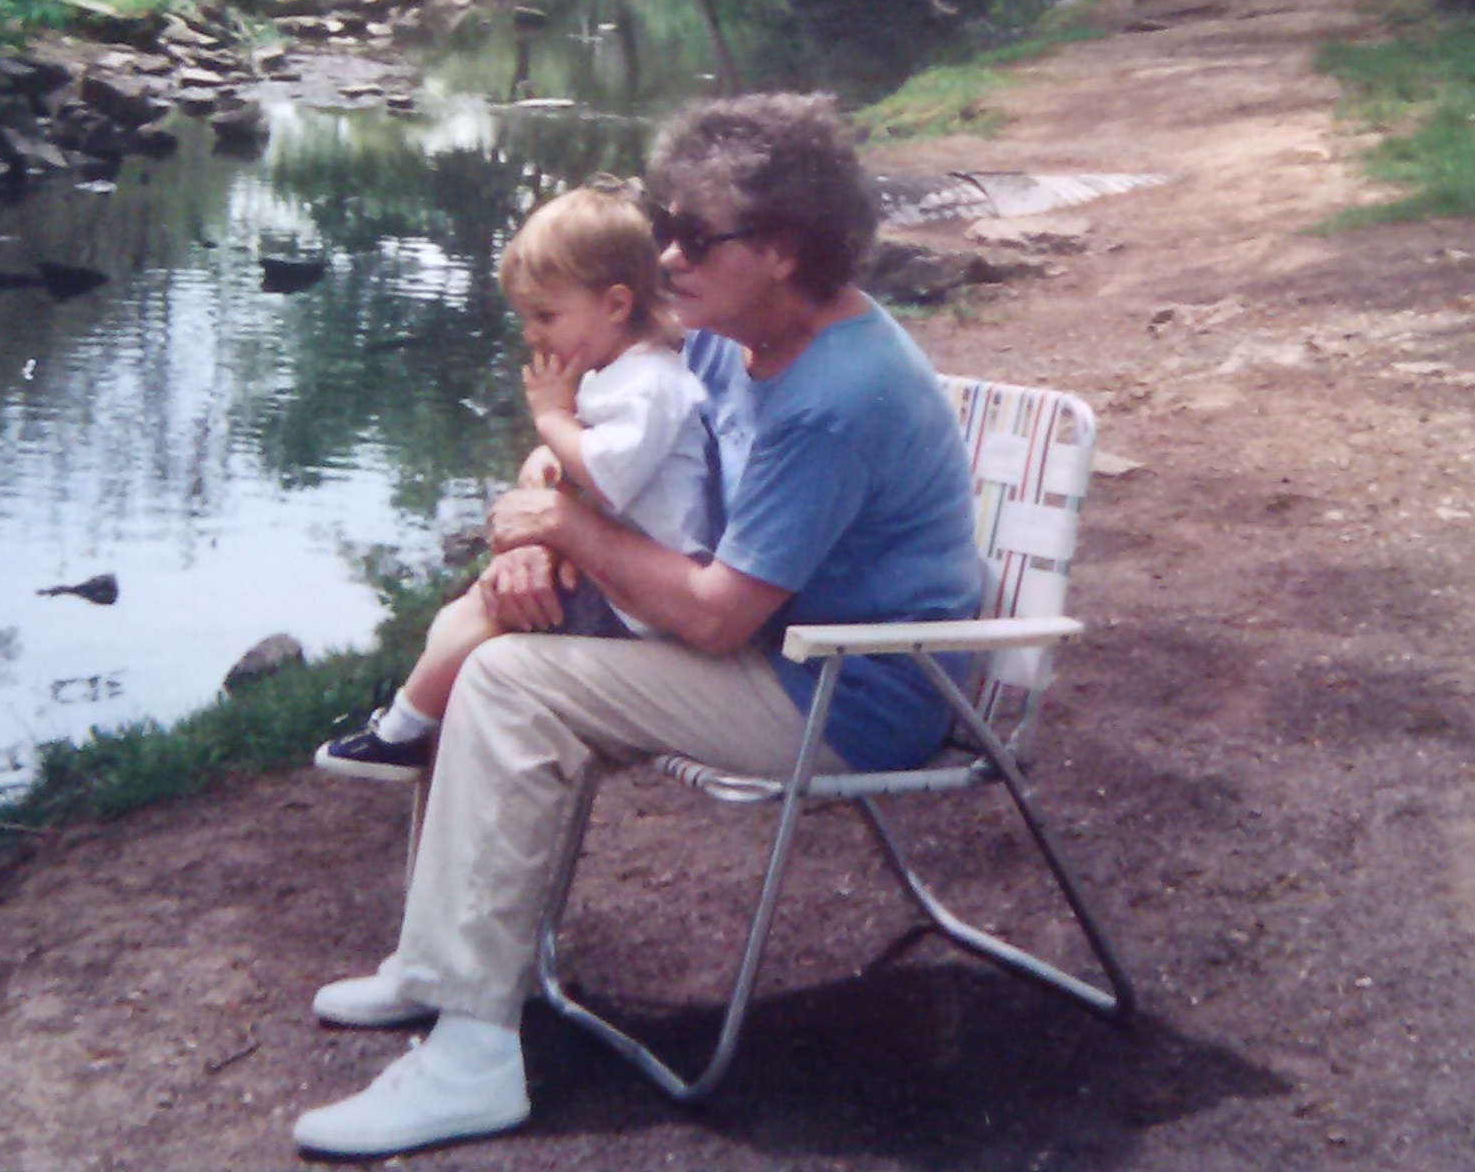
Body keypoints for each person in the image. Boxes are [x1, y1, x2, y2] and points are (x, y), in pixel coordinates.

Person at [293, 94, 983, 1159]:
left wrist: (570, 524)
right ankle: (442, 973)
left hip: (850, 691)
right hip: (781, 650)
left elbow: (713, 617)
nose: (667, 255)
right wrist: (535, 530)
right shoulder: (722, 338)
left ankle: (474, 1054)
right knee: (505, 656)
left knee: (514, 683)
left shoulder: (835, 397)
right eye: (665, 225)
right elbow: (594, 434)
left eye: (695, 236)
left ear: (784, 248)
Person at [313, 180, 716, 783]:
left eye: (546, 316)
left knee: (488, 609)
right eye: (527, 316)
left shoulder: (652, 382)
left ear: (615, 304)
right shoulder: (621, 372)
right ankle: (415, 720)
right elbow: (583, 473)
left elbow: (608, 475)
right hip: (624, 572)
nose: (532, 334)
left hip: (646, 600)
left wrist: (553, 417)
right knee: (476, 605)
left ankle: (400, 732)